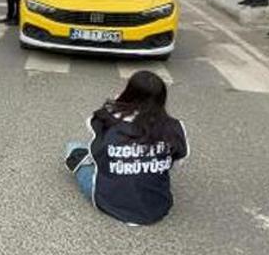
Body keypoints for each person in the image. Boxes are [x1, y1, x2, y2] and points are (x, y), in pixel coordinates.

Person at [64, 71, 189, 226]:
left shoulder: (108, 117)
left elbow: (90, 126)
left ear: (128, 92)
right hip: (157, 207)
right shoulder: (175, 127)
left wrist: (117, 104)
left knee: (74, 147)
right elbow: (178, 162)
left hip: (110, 200)